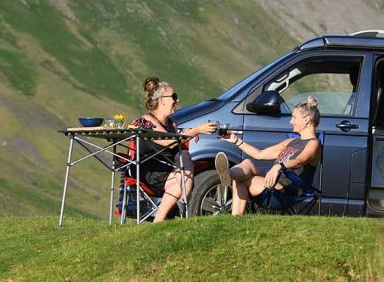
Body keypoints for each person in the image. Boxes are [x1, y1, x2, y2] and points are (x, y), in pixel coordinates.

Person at [129, 76, 217, 222]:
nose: (177, 101)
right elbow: (169, 143)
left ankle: (160, 220)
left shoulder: (172, 124)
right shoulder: (146, 121)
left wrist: (187, 134)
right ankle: (183, 205)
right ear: (162, 100)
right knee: (182, 174)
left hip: (168, 170)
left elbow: (177, 144)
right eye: (174, 97)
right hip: (149, 171)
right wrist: (196, 130)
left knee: (183, 160)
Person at [215, 96, 321, 215]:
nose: (291, 122)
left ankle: (235, 217)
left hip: (283, 191)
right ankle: (228, 174)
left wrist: (278, 166)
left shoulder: (314, 144)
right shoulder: (290, 142)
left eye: (294, 117)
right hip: (270, 182)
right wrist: (236, 141)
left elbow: (299, 161)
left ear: (306, 120)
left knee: (241, 180)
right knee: (247, 163)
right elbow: (259, 154)